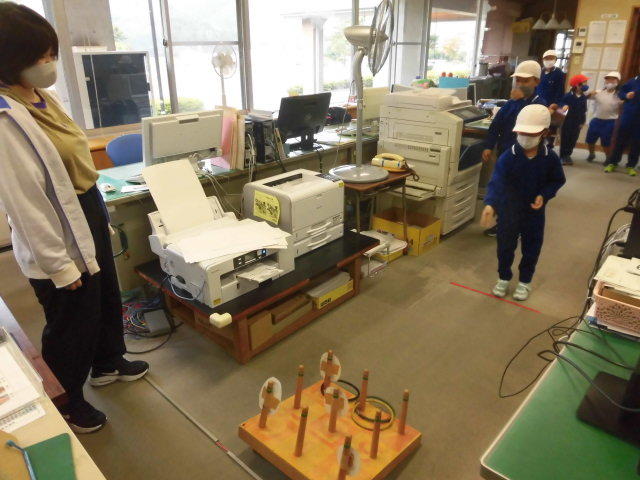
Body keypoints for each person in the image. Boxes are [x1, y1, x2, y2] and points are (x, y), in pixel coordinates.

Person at [0, 3, 148, 433]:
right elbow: (26, 203)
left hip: (86, 206)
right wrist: (59, 266)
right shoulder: (5, 117)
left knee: (104, 295)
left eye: (52, 54)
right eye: (39, 56)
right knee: (71, 318)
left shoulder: (41, 96)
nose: (49, 64)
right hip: (55, 225)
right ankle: (67, 400)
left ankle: (107, 362)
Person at [480, 105, 566, 301]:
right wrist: (491, 204)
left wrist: (544, 195)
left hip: (534, 213)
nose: (525, 137)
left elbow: (557, 180)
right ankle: (503, 277)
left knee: (531, 248)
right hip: (508, 210)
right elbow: (497, 181)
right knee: (505, 246)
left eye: (531, 134)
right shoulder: (508, 156)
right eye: (521, 133)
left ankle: (525, 281)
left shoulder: (549, 158)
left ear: (544, 133)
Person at [481, 60, 548, 236]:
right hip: (506, 153)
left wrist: (520, 101)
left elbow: (535, 132)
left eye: (525, 81)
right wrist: (489, 146)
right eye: (518, 80)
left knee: (518, 193)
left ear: (536, 82)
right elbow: (496, 124)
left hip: (525, 156)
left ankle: (513, 226)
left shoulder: (539, 106)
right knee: (504, 189)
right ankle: (504, 223)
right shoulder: (512, 103)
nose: (520, 84)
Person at [604, 72, 640, 176]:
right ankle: (613, 163)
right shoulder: (632, 81)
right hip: (628, 116)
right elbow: (621, 93)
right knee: (620, 140)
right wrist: (626, 95)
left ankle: (631, 166)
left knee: (637, 143)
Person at [586, 72, 622, 162]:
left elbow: (623, 107)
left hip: (610, 121)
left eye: (612, 79)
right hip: (596, 119)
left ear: (617, 82)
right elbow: (586, 97)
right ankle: (591, 154)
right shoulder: (599, 92)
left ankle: (608, 158)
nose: (609, 81)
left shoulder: (620, 95)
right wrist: (590, 93)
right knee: (590, 139)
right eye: (608, 79)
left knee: (606, 142)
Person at [557, 74, 590, 165]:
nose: (586, 85)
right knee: (565, 139)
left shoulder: (583, 97)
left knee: (573, 139)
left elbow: (584, 111)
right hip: (567, 121)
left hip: (577, 122)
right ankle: (562, 156)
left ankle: (568, 155)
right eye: (584, 83)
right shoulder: (568, 96)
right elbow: (560, 105)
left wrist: (582, 122)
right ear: (577, 85)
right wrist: (563, 106)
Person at [536, 50, 565, 147]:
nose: (549, 60)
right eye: (546, 58)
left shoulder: (559, 73)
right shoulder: (540, 72)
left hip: (552, 106)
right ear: (543, 59)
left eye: (551, 58)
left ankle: (550, 146)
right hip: (538, 104)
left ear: (555, 60)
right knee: (538, 127)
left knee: (551, 128)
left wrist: (556, 105)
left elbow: (560, 91)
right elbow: (535, 88)